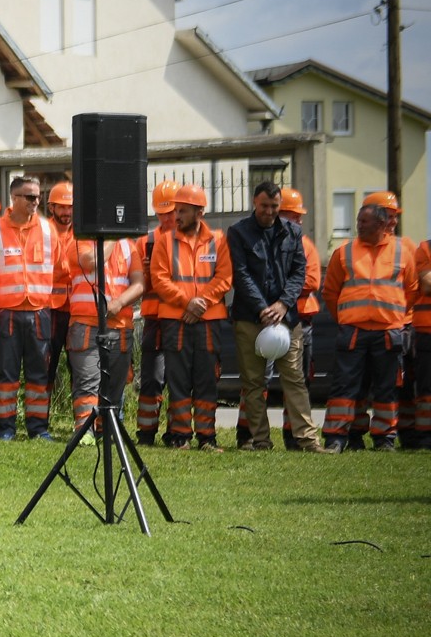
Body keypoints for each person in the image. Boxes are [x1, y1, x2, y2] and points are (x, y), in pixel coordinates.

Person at [225, 179, 317, 452]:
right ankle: (261, 440)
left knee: (295, 380)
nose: (269, 211)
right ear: (255, 202)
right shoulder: (239, 233)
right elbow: (240, 274)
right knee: (253, 383)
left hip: (287, 319)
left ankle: (308, 440)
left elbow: (299, 272)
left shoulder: (293, 232)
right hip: (250, 318)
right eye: (264, 205)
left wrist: (283, 305)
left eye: (274, 206)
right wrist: (263, 308)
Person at [321, 191, 416, 452]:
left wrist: (395, 317)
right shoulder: (345, 252)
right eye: (358, 221)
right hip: (353, 331)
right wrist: (345, 317)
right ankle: (338, 438)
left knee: (386, 390)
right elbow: (330, 292)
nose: (359, 226)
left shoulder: (402, 252)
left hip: (388, 333)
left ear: (382, 224)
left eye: (365, 222)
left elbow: (411, 291)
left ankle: (384, 439)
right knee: (346, 388)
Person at [148, 183, 230, 450]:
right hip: (176, 320)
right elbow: (159, 279)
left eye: (183, 211)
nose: (177, 216)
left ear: (200, 212)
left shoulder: (218, 240)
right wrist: (188, 302)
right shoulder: (164, 241)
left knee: (207, 379)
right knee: (179, 380)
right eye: (176, 210)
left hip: (208, 320)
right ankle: (180, 436)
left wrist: (202, 303)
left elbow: (225, 277)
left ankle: (207, 437)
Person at [0, 175, 59, 440]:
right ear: (13, 199)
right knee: (6, 375)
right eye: (29, 197)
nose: (36, 201)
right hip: (7, 314)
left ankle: (38, 429)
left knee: (39, 373)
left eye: (38, 196)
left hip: (40, 312)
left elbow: (59, 270)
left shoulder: (49, 230)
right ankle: (5, 429)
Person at [66, 223, 144, 435]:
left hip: (120, 326)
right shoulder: (78, 241)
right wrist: (111, 236)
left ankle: (105, 431)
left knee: (114, 386)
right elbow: (92, 262)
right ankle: (84, 432)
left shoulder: (129, 246)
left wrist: (118, 303)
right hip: (86, 325)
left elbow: (139, 284)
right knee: (88, 382)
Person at [276, 186, 325, 451]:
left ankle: (293, 436)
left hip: (300, 320)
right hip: (269, 320)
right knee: (257, 381)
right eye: (295, 215)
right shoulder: (265, 240)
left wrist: (279, 290)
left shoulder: (305, 245)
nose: (300, 220)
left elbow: (312, 281)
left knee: (298, 381)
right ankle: (248, 435)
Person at [135, 181, 180, 447]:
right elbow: (140, 284)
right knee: (151, 379)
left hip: (180, 318)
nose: (167, 218)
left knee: (178, 380)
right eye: (162, 212)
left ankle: (177, 433)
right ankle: (145, 434)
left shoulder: (189, 241)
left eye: (171, 211)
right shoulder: (146, 241)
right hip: (154, 319)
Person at [43, 181, 78, 392]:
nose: (66, 211)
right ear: (52, 207)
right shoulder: (43, 231)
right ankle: (40, 421)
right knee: (47, 365)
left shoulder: (83, 231)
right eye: (62, 207)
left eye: (71, 206)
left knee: (80, 367)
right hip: (51, 309)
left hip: (77, 310)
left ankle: (83, 422)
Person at [412, 232, 431, 449]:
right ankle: (426, 437)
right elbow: (427, 284)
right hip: (427, 330)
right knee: (427, 389)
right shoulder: (425, 249)